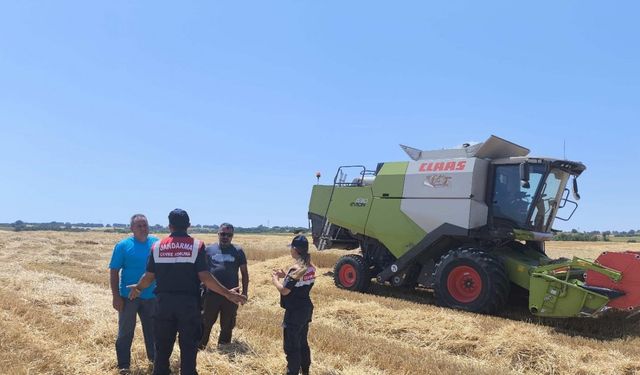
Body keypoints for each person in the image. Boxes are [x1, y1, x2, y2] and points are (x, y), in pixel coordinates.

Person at [127, 209, 246, 375]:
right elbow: (205, 277)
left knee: (162, 352)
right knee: (189, 352)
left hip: (163, 306)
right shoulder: (197, 246)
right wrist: (227, 293)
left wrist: (138, 288)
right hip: (188, 306)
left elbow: (149, 276)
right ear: (188, 225)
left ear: (170, 226)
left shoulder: (157, 246)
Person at [108, 214, 158, 373]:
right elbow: (114, 272)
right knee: (125, 332)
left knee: (153, 332)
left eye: (145, 225)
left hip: (151, 297)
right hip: (128, 297)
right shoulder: (123, 246)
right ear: (132, 228)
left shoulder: (156, 244)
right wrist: (116, 296)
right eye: (139, 226)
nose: (143, 228)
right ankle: (123, 365)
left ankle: (155, 362)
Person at [199, 223, 249, 349]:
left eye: (229, 235)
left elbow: (244, 273)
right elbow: (201, 271)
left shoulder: (238, 251)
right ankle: (201, 346)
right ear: (218, 234)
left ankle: (224, 347)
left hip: (232, 295)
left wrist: (244, 293)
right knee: (205, 321)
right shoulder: (208, 250)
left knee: (228, 323)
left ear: (232, 236)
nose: (225, 237)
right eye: (222, 234)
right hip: (211, 294)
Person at [271, 235, 316, 375]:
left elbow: (285, 291)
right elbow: (298, 283)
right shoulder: (310, 267)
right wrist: (286, 276)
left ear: (295, 249)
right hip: (306, 309)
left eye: (291, 248)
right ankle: (305, 371)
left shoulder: (296, 268)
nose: (290, 250)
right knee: (302, 342)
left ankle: (292, 371)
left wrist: (275, 279)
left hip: (294, 312)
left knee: (291, 346)